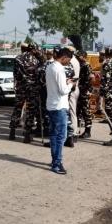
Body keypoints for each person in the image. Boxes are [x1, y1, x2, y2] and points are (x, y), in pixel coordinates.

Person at [45, 47, 74, 175]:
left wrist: (66, 82)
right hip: (59, 106)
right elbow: (63, 90)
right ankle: (56, 163)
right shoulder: (59, 69)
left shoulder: (50, 66)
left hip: (51, 104)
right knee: (61, 136)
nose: (68, 62)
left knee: (53, 135)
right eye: (68, 60)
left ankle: (54, 160)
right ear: (64, 57)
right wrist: (70, 84)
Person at [9, 43, 29, 140]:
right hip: (30, 88)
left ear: (21, 49)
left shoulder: (17, 58)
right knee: (28, 111)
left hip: (20, 87)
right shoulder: (33, 59)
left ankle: (12, 132)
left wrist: (15, 84)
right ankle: (27, 134)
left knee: (17, 109)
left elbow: (15, 74)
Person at [77, 51, 94, 138]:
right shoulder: (79, 65)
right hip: (79, 91)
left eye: (79, 55)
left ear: (84, 56)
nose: (78, 57)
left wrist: (86, 90)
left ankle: (88, 131)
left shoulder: (87, 66)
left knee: (86, 111)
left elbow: (90, 80)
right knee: (78, 111)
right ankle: (76, 130)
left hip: (84, 91)